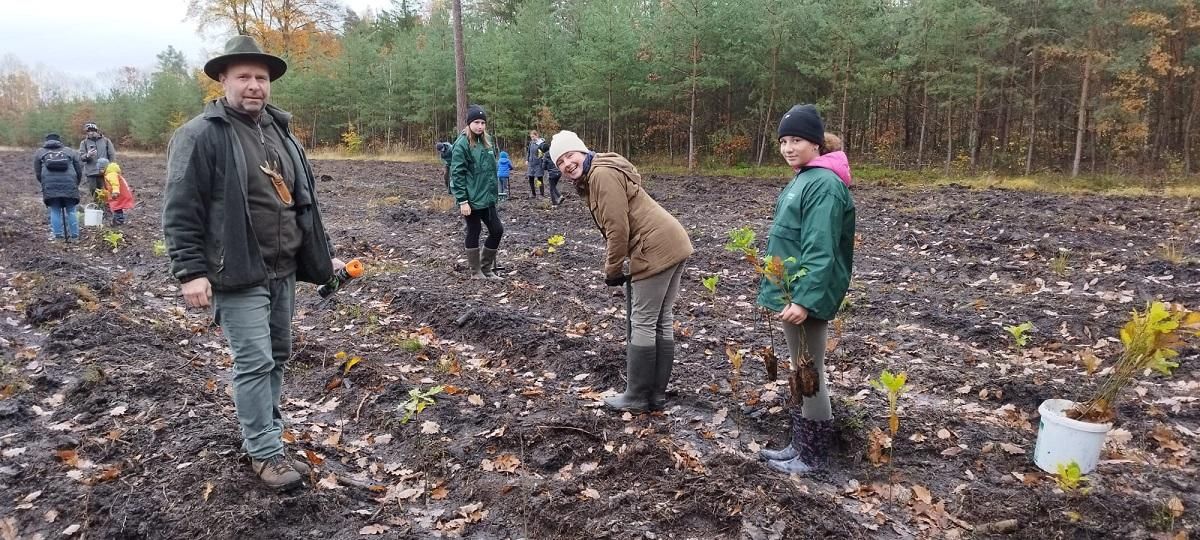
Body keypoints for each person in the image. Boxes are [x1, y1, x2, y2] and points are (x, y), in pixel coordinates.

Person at [162, 35, 343, 491]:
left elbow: (304, 201)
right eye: (243, 76)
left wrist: (322, 254)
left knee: (277, 356)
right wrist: (190, 271)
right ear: (223, 79)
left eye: (261, 77)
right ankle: (263, 452)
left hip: (281, 269)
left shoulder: (279, 132)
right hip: (236, 270)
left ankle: (269, 439)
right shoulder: (201, 135)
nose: (254, 85)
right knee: (255, 360)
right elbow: (182, 207)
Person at [549, 130, 693, 412]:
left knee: (642, 320)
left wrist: (612, 269)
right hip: (672, 241)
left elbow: (618, 228)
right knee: (660, 318)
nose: (567, 163)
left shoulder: (601, 175)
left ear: (583, 151)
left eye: (570, 155)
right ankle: (655, 395)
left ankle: (637, 395)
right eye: (560, 161)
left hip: (654, 247)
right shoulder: (599, 171)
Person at [755, 104, 855, 474]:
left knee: (810, 370)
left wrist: (804, 299)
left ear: (815, 142)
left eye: (796, 139)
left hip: (803, 296)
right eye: (783, 140)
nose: (788, 147)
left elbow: (820, 246)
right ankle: (798, 445)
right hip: (790, 291)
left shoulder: (824, 185)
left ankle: (813, 456)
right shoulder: (804, 177)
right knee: (799, 368)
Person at [450, 105, 503, 280]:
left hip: (487, 198)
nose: (480, 126)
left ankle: (486, 268)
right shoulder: (462, 144)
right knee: (474, 230)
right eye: (476, 122)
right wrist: (463, 201)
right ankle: (476, 272)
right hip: (471, 199)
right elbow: (457, 174)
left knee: (497, 230)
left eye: (483, 123)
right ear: (469, 123)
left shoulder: (486, 140)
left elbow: (488, 170)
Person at [33, 133, 83, 242]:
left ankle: (58, 237)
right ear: (59, 140)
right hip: (70, 183)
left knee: (55, 210)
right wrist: (76, 183)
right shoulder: (69, 151)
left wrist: (44, 183)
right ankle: (75, 237)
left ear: (46, 141)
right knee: (71, 210)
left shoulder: (40, 152)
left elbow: (38, 172)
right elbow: (79, 169)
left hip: (50, 185)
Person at [78, 122, 117, 197]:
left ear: (96, 131)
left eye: (92, 131)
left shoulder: (106, 141)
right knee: (94, 194)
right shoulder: (84, 143)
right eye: (88, 131)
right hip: (91, 173)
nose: (90, 133)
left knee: (105, 193)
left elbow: (112, 155)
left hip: (105, 172)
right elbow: (81, 158)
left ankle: (105, 207)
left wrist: (112, 169)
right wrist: (88, 155)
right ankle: (96, 207)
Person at [99, 159, 135, 225]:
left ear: (104, 167)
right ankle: (116, 220)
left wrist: (115, 192)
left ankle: (119, 221)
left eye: (100, 169)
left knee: (117, 206)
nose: (99, 171)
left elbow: (115, 184)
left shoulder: (111, 174)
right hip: (120, 193)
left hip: (119, 194)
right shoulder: (110, 173)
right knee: (116, 207)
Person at [539, 140, 561, 205]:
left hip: (552, 174)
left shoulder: (545, 156)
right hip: (559, 172)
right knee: (553, 186)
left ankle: (555, 202)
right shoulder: (554, 153)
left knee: (552, 188)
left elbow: (544, 167)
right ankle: (558, 198)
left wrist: (542, 160)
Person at [525, 130, 545, 199]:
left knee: (539, 179)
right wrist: (527, 159)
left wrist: (541, 159)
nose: (532, 138)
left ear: (537, 135)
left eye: (533, 136)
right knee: (531, 179)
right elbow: (529, 152)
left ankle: (541, 194)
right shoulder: (531, 143)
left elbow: (543, 153)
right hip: (531, 164)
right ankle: (533, 194)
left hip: (538, 164)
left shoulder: (541, 143)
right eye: (531, 137)